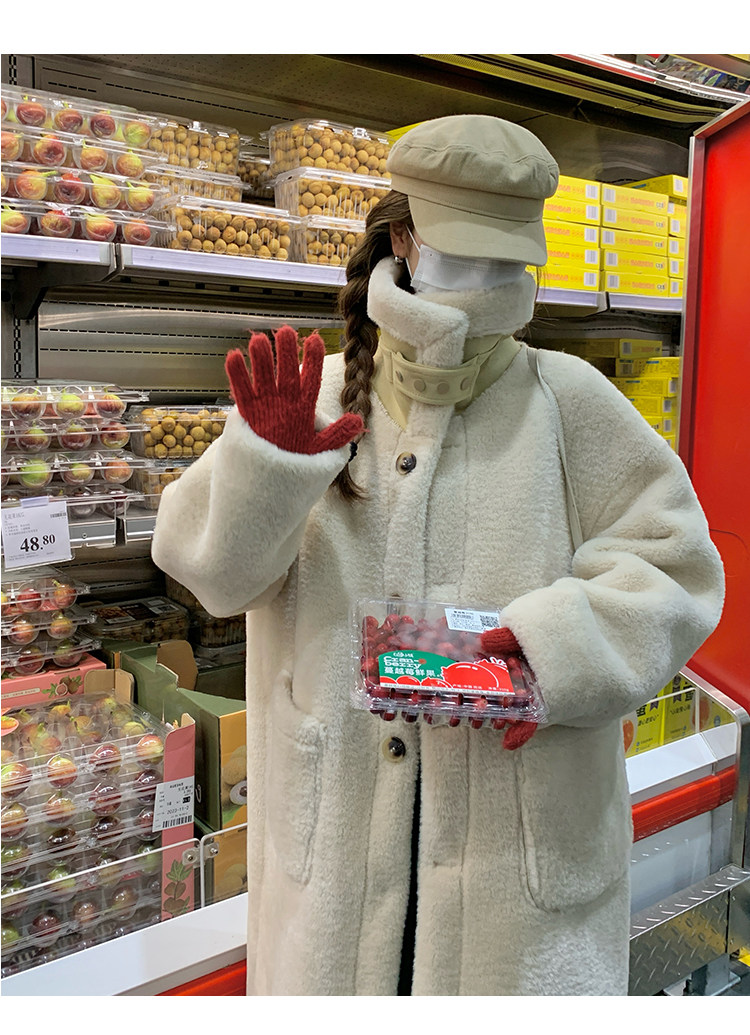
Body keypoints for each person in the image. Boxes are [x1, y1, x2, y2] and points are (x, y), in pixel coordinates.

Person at [150, 115, 725, 996]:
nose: (488, 277)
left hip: (517, 875)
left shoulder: (570, 402)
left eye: (508, 256)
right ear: (404, 239)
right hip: (334, 859)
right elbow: (214, 577)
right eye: (466, 248)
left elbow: (678, 566)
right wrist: (264, 468)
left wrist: (556, 649)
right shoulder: (318, 398)